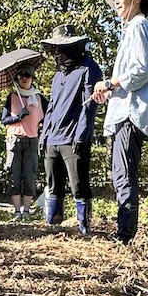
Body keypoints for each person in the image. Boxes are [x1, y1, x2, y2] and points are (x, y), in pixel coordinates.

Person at [93, 0, 148, 243]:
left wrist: (109, 81)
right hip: (123, 112)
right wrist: (108, 89)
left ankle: (124, 237)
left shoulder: (139, 25)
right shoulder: (131, 29)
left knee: (123, 176)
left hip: (131, 113)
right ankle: (124, 233)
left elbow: (141, 70)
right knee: (120, 174)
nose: (117, 0)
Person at [37, 23, 102, 236]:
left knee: (79, 185)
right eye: (55, 49)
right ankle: (53, 228)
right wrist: (44, 136)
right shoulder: (58, 76)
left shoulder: (89, 68)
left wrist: (82, 135)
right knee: (53, 186)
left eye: (61, 48)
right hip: (52, 139)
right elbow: (52, 107)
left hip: (73, 139)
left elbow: (89, 104)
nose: (58, 53)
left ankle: (84, 228)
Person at [0, 66, 44, 221]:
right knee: (15, 175)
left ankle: (27, 211)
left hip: (32, 140)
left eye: (27, 75)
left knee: (30, 175)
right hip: (15, 140)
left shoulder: (39, 98)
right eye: (21, 76)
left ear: (32, 78)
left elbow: (49, 117)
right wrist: (18, 117)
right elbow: (4, 120)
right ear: (17, 79)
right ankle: (16, 211)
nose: (24, 78)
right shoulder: (12, 97)